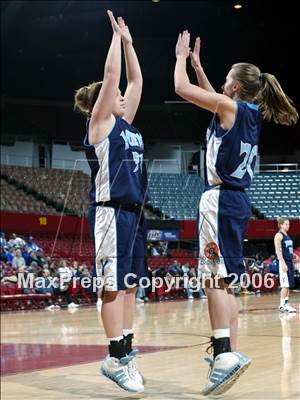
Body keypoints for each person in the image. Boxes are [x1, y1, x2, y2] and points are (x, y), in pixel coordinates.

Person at [174, 31, 298, 396]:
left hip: (219, 200)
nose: (223, 83)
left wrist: (182, 59)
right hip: (237, 202)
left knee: (212, 278)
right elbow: (215, 100)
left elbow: (181, 89)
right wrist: (200, 68)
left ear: (236, 89)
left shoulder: (230, 107)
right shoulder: (249, 112)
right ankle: (228, 352)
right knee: (226, 279)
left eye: (227, 77)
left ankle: (225, 353)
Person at [74, 10, 148, 393]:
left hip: (134, 216)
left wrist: (131, 43)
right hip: (110, 213)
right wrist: (116, 39)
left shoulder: (127, 123)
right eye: (114, 97)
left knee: (132, 285)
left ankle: (127, 350)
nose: (122, 97)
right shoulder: (101, 124)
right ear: (100, 105)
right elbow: (115, 78)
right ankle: (115, 356)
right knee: (114, 287)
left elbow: (135, 80)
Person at [274, 218, 297, 313]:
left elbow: (289, 250)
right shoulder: (279, 235)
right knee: (285, 285)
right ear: (281, 225)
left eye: (289, 224)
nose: (288, 226)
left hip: (289, 261)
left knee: (288, 285)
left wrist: (295, 256)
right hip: (283, 262)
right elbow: (278, 251)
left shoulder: (287, 236)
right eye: (286, 224)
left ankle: (286, 303)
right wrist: (282, 262)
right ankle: (282, 305)